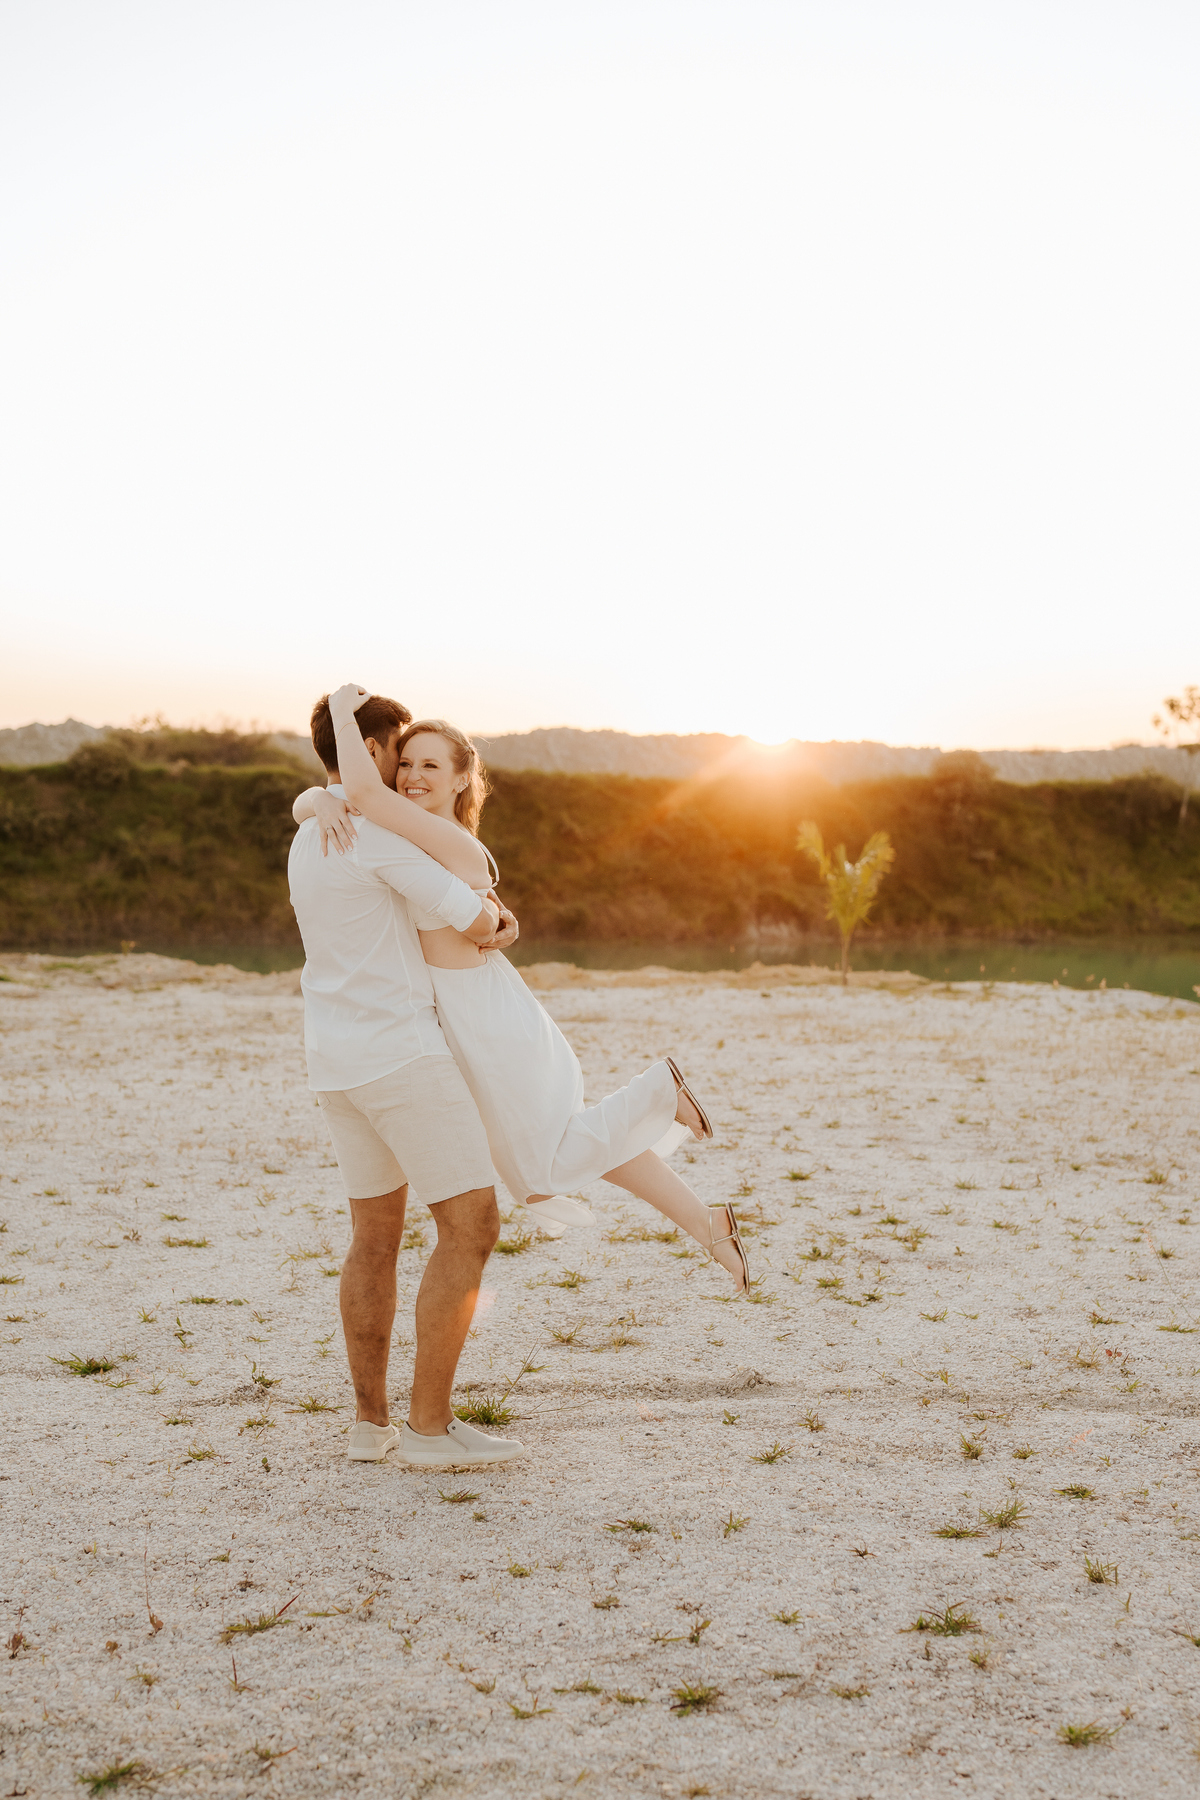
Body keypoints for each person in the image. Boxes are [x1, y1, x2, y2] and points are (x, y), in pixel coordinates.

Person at [292, 683, 750, 1293]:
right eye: (406, 763)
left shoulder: (438, 839)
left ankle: (659, 1092)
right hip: (458, 1012)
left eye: (429, 766)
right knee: (551, 1150)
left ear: (462, 778)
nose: (411, 776)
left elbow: (363, 795)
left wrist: (339, 724)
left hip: (481, 1014)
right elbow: (355, 797)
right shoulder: (404, 833)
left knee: (537, 1170)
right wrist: (313, 801)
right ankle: (706, 1223)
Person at [288, 690, 527, 1472]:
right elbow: (473, 916)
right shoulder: (378, 838)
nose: (403, 770)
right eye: (398, 751)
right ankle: (429, 1428)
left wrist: (315, 797)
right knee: (471, 1226)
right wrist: (499, 921)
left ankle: (371, 1425)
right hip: (401, 1060)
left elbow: (320, 806)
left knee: (374, 1237)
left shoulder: (311, 834)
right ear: (373, 749)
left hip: (336, 1062)